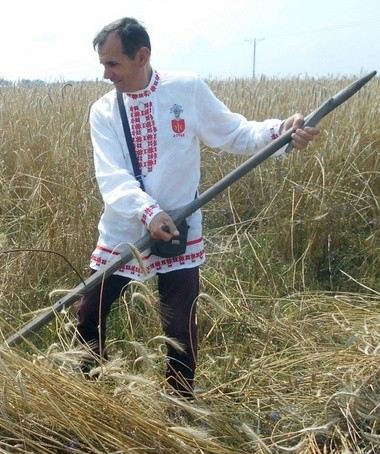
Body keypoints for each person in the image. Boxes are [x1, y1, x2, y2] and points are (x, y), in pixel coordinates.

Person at [76, 17, 319, 397]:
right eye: (103, 64)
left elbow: (235, 132)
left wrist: (281, 132)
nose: (106, 74)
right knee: (90, 313)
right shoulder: (103, 111)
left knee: (180, 330)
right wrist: (148, 213)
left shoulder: (185, 90)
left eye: (113, 64)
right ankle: (89, 395)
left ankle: (181, 408)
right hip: (125, 231)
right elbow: (112, 177)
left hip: (179, 231)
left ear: (142, 56)